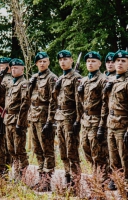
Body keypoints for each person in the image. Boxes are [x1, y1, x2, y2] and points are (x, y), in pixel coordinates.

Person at [99, 50, 128, 198]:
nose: (119, 63)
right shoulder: (111, 81)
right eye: (117, 61)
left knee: (126, 160)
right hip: (111, 125)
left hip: (123, 126)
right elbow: (105, 105)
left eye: (123, 61)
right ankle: (120, 187)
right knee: (114, 161)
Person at [0, 58, 30, 181]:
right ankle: (16, 174)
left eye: (16, 68)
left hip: (18, 119)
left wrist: (20, 123)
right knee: (11, 149)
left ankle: (21, 175)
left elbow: (25, 105)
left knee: (19, 150)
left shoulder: (24, 84)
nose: (14, 70)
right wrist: (0, 75)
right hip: (8, 119)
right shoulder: (10, 83)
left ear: (22, 69)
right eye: (12, 68)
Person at [51, 50, 83, 190]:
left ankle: (75, 184)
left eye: (66, 59)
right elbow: (55, 100)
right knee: (63, 151)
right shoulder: (60, 78)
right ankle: (67, 178)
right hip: (60, 117)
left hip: (71, 118)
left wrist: (78, 120)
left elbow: (79, 102)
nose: (63, 62)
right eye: (61, 60)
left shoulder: (76, 78)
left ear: (71, 60)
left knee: (72, 152)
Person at [78, 51, 109, 186]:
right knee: (86, 149)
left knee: (98, 153)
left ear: (99, 63)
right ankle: (97, 175)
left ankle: (101, 182)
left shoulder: (103, 80)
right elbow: (82, 103)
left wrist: (102, 125)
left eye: (93, 61)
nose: (90, 63)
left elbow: (105, 103)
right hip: (86, 120)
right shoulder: (84, 80)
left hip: (97, 120)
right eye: (88, 61)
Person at [28, 52, 57, 191]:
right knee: (37, 149)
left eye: (45, 61)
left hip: (45, 118)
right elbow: (29, 99)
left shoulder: (52, 78)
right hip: (34, 117)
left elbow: (54, 101)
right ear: (36, 64)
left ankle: (47, 181)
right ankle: (41, 178)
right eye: (40, 62)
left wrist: (50, 121)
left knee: (47, 150)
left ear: (49, 62)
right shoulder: (33, 78)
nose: (42, 64)